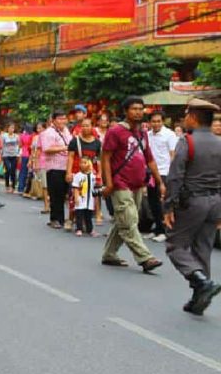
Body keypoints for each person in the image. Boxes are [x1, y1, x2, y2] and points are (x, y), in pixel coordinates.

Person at [163, 99, 221, 315]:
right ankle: (200, 297)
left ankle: (201, 281)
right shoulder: (219, 142)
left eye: (187, 115)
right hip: (215, 201)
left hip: (193, 202)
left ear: (194, 118)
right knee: (203, 247)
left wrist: (168, 206)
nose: (185, 119)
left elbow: (175, 176)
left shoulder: (188, 141)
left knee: (175, 245)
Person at [100, 97, 165, 273]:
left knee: (123, 219)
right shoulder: (115, 131)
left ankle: (109, 254)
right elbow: (105, 158)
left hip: (138, 183)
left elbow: (149, 159)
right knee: (129, 221)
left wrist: (160, 182)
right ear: (126, 111)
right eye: (134, 109)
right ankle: (145, 258)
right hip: (120, 183)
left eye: (140, 109)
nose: (138, 112)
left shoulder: (142, 133)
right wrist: (108, 183)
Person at [147, 112, 178, 243]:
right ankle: (157, 228)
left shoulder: (169, 135)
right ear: (150, 122)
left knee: (163, 203)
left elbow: (173, 154)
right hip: (150, 172)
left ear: (163, 121)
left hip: (165, 172)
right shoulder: (147, 135)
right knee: (152, 202)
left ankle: (165, 231)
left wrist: (172, 174)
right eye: (154, 121)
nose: (156, 124)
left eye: (159, 121)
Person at [66, 118, 102, 230]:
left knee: (89, 198)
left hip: (91, 175)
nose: (85, 128)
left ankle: (86, 221)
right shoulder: (74, 141)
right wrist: (68, 172)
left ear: (92, 126)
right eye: (83, 126)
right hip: (77, 173)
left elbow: (99, 160)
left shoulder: (97, 143)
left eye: (88, 125)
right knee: (74, 197)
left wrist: (100, 174)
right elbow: (70, 157)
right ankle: (70, 219)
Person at [39, 111, 72, 230]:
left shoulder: (66, 131)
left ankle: (62, 219)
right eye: (60, 119)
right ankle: (55, 219)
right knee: (56, 194)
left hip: (66, 166)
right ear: (53, 120)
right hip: (54, 167)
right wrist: (65, 148)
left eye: (64, 118)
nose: (62, 121)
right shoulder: (47, 133)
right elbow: (47, 148)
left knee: (64, 194)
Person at [71, 157, 98, 237]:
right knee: (79, 214)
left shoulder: (93, 176)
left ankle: (90, 229)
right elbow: (76, 188)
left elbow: (95, 188)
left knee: (88, 216)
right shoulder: (78, 175)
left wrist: (95, 201)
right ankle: (79, 229)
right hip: (80, 198)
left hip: (89, 199)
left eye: (85, 163)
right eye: (81, 163)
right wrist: (76, 198)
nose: (82, 164)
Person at [1, 122, 20, 194]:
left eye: (13, 128)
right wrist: (1, 155)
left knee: (13, 171)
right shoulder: (4, 136)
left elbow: (19, 145)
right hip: (6, 155)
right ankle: (7, 185)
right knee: (8, 169)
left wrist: (18, 154)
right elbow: (2, 145)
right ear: (7, 128)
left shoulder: (17, 136)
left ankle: (13, 187)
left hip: (14, 155)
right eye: (10, 128)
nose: (11, 129)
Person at [18, 124, 33, 197]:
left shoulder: (22, 136)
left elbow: (20, 145)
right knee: (30, 173)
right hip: (30, 155)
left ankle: (20, 188)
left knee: (22, 172)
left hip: (24, 154)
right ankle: (28, 189)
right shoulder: (32, 136)